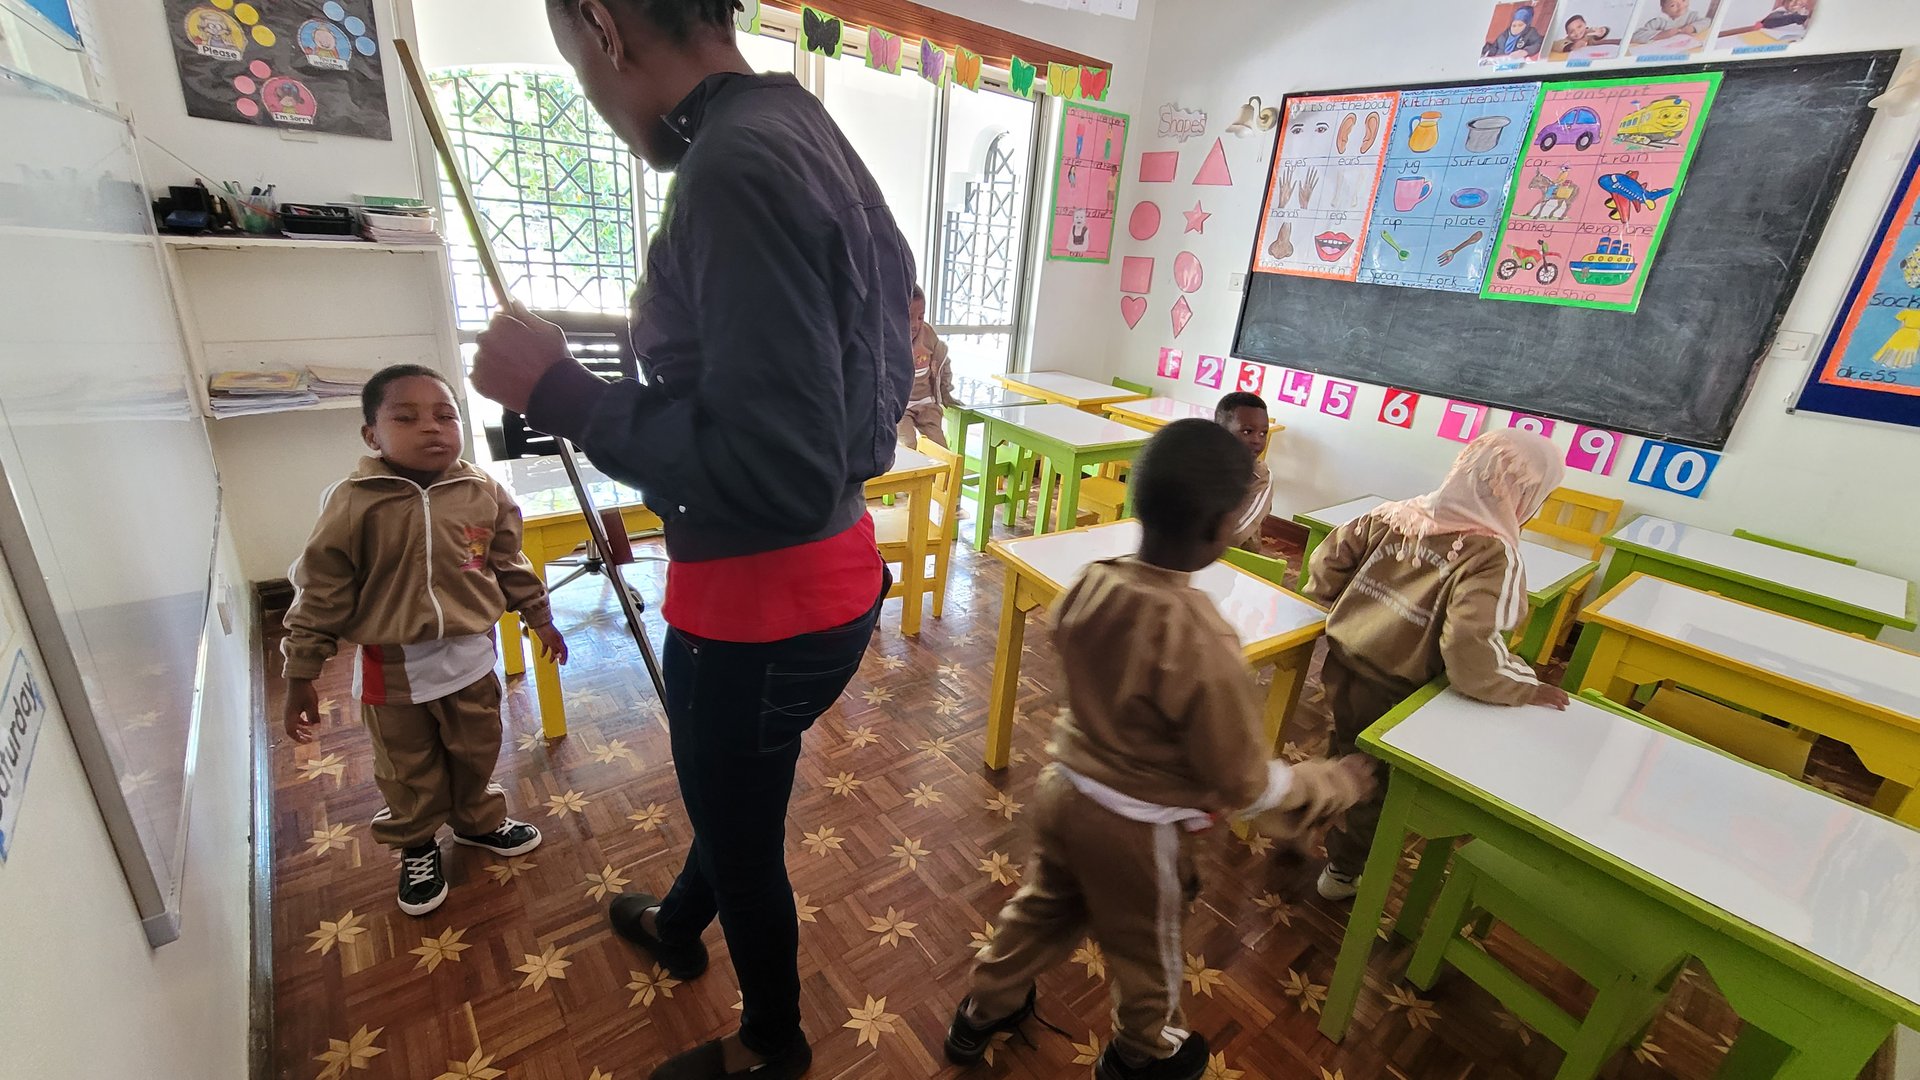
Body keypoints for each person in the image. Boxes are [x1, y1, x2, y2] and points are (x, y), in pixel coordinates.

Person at [467, 1, 914, 1076]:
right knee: (736, 793)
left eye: (578, 65)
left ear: (605, 27)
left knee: (746, 836)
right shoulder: (802, 128)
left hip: (754, 615)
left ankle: (774, 1044)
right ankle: (677, 928)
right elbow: (850, 359)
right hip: (838, 581)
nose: (596, 92)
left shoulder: (725, 169)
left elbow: (772, 466)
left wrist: (567, 395)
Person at [944, 420, 1375, 1080]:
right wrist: (1334, 783)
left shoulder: (1095, 579)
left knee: (1041, 909)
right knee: (1147, 949)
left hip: (1065, 793)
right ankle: (1144, 1054)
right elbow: (1242, 781)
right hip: (1135, 833)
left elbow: (1070, 644)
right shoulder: (1200, 636)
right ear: (1219, 531)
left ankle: (982, 1008)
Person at [281, 364, 567, 916]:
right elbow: (321, 588)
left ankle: (478, 823)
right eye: (406, 418)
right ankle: (416, 843)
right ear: (372, 435)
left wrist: (540, 617)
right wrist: (301, 672)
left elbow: (508, 564)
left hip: (470, 659)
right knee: (407, 768)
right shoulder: (352, 502)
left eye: (446, 415)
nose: (432, 429)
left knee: (477, 749)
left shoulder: (483, 491)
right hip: (394, 668)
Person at [1303, 429, 1571, 902]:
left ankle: (1311, 805)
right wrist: (1521, 686)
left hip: (1343, 659)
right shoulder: (1493, 554)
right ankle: (1343, 870)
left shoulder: (1396, 513)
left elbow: (1327, 563)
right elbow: (1470, 650)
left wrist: (1336, 608)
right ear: (1523, 495)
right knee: (1376, 782)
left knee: (1343, 741)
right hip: (1397, 691)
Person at [1216, 391, 1272, 552]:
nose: (1257, 440)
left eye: (1263, 433)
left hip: (1236, 558)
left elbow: (1236, 533)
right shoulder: (1201, 461)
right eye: (1247, 431)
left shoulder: (1260, 476)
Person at [898, 284, 953, 449]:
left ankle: (937, 475)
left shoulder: (928, 335)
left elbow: (944, 363)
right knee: (908, 444)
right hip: (901, 407)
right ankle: (913, 474)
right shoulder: (892, 337)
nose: (915, 324)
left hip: (926, 403)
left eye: (920, 317)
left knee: (939, 448)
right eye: (909, 316)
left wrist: (945, 392)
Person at [1632, 0, 1711, 44]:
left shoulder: (1692, 15)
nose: (1681, 6)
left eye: (1683, 0)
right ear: (1664, 9)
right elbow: (1636, 36)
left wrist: (1693, 27)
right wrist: (1660, 34)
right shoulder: (1659, 21)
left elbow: (1707, 21)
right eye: (1673, 5)